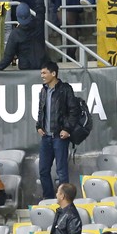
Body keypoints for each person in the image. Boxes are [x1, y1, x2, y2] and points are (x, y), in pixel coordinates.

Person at [36, 61, 77, 199]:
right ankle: (48, 199)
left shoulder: (65, 89)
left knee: (61, 172)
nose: (42, 75)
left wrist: (67, 129)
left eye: (44, 73)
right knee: (43, 170)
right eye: (41, 73)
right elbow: (40, 111)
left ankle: (64, 200)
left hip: (59, 137)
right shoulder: (43, 91)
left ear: (53, 73)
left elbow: (73, 111)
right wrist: (39, 126)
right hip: (46, 137)